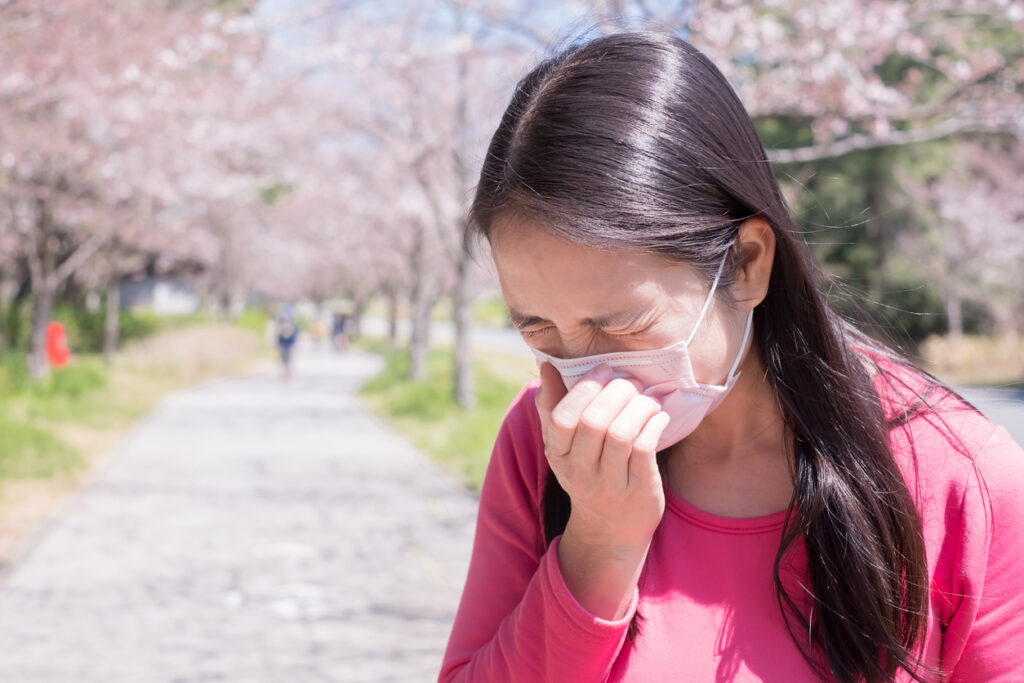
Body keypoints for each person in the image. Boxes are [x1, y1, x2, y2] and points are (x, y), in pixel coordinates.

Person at [438, 32, 1024, 683]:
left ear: (747, 263)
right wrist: (597, 546)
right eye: (540, 327)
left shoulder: (958, 475)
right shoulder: (540, 444)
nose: (587, 384)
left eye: (622, 324)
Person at [275, 303, 299, 380]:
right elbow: (279, 337)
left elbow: (293, 337)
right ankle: (286, 372)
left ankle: (288, 372)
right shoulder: (281, 327)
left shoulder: (291, 327)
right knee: (284, 360)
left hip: (288, 345)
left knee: (288, 359)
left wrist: (294, 344)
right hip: (284, 345)